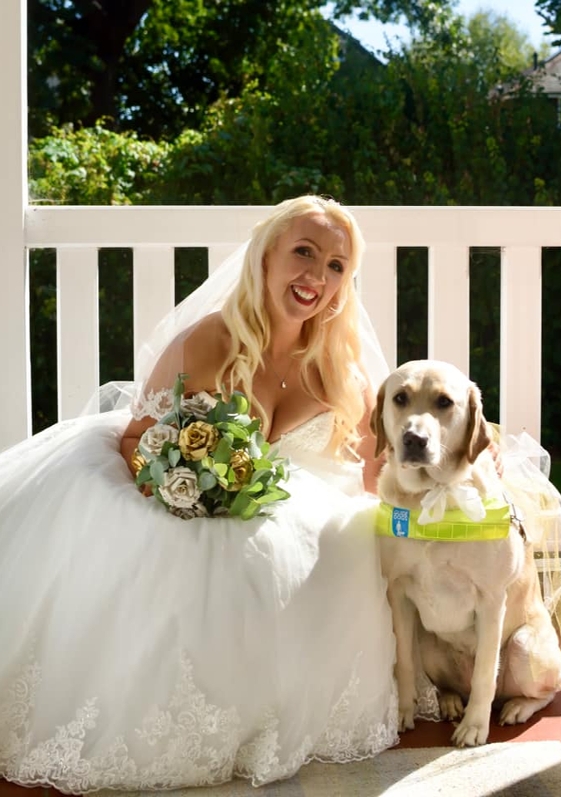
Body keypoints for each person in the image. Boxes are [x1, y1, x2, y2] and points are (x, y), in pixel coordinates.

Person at [0, 195, 401, 793]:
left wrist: (458, 472)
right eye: (304, 253)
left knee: (338, 547)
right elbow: (137, 437)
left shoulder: (342, 369)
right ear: (265, 258)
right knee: (180, 563)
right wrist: (179, 487)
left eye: (337, 265)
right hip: (169, 490)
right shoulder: (207, 342)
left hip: (281, 507)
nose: (317, 276)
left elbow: (377, 475)